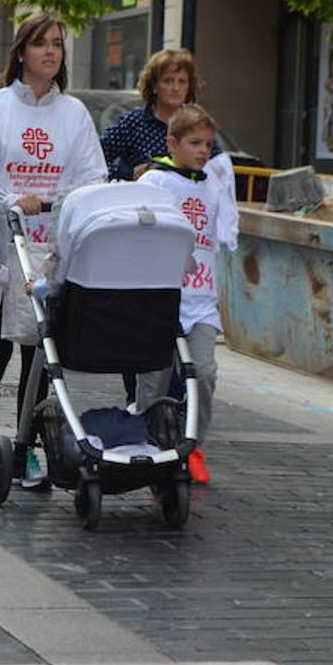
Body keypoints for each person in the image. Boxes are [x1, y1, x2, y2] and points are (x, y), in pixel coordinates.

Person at [0, 12, 107, 489]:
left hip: (48, 253)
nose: (51, 52)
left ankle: (25, 447)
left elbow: (92, 177)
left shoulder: (74, 114)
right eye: (41, 44)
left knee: (40, 355)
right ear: (21, 51)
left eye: (58, 44)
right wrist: (9, 200)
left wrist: (59, 203)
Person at [136, 105, 239, 485]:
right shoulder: (157, 183)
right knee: (154, 378)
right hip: (163, 299)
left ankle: (192, 443)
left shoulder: (213, 181)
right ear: (172, 142)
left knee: (204, 375)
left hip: (201, 303)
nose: (203, 151)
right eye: (194, 143)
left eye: (209, 145)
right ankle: (146, 441)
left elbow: (223, 229)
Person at [99, 48, 202, 182]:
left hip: (186, 201)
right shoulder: (133, 124)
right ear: (154, 85)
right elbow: (93, 161)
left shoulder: (197, 126)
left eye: (182, 81)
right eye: (168, 81)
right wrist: (129, 173)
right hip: (142, 200)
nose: (176, 88)